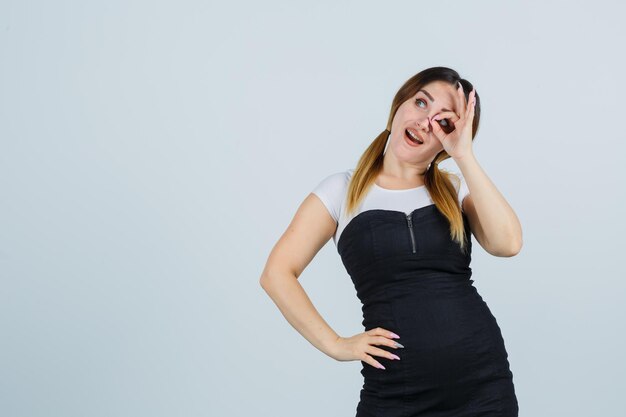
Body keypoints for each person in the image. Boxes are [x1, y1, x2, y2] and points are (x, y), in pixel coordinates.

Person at [259, 66, 522, 416]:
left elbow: (508, 244)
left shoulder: (454, 190)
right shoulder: (342, 191)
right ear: (399, 105)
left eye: (443, 121)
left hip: (483, 387)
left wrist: (464, 155)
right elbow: (276, 273)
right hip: (397, 392)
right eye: (421, 103)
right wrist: (336, 345)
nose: (425, 121)